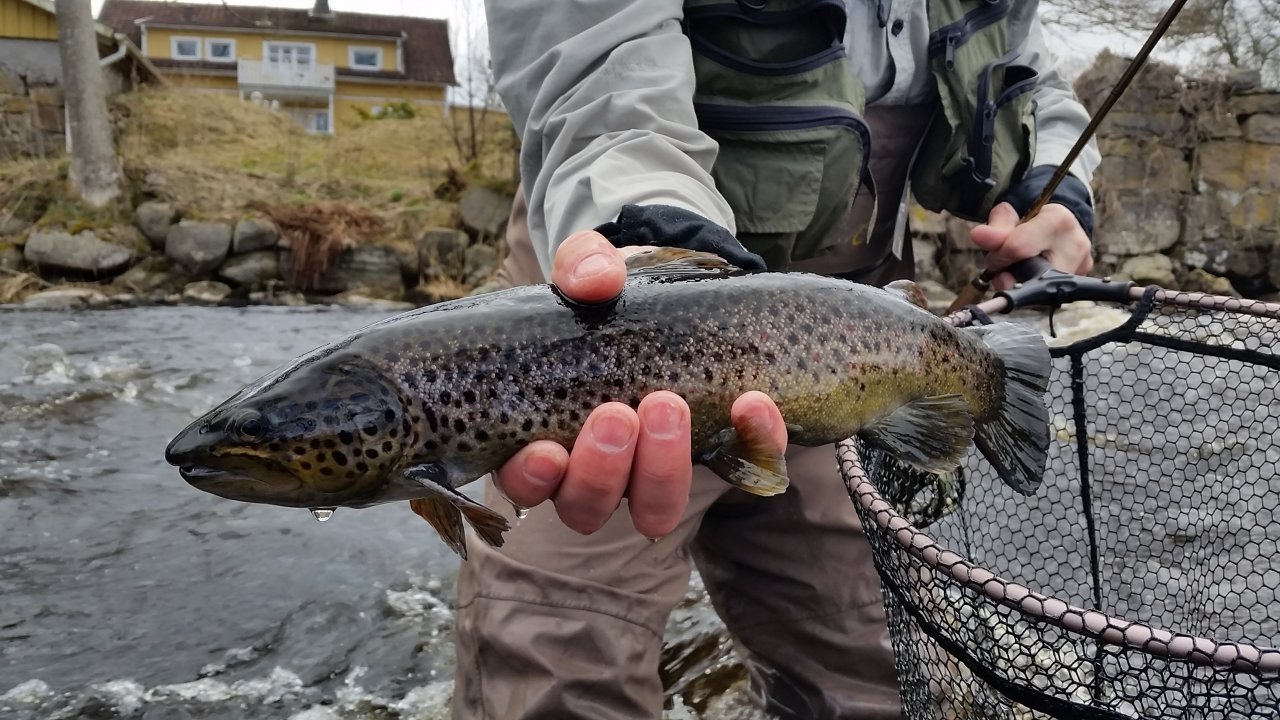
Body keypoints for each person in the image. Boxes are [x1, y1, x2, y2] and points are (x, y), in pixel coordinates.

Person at [452, 1, 1100, 718]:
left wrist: (1055, 184)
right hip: (604, 297)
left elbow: (1031, 72)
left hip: (848, 333)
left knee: (875, 673)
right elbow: (589, 73)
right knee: (558, 667)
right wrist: (666, 254)